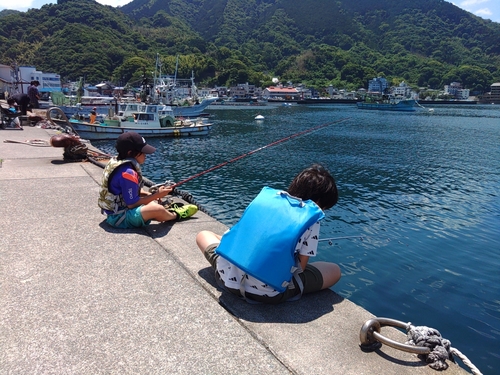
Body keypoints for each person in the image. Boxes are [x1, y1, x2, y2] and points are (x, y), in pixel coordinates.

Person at [196, 164, 341, 304]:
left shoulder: (268, 199)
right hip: (268, 293)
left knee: (203, 234)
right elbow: (300, 268)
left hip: (225, 276)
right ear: (318, 201)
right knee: (334, 270)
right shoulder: (312, 217)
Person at [98, 132, 198, 228]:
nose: (145, 155)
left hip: (114, 212)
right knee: (156, 208)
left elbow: (131, 190)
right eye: (142, 152)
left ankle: (164, 212)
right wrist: (157, 195)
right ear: (130, 152)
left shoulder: (116, 162)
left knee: (151, 203)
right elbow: (132, 203)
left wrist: (151, 195)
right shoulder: (128, 173)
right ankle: (175, 214)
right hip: (118, 218)